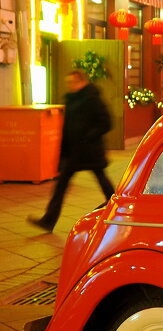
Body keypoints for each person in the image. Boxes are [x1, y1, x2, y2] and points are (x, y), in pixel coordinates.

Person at [28, 69, 116, 232]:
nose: (70, 85)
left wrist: (89, 136)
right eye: (68, 82)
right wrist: (64, 152)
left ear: (82, 82)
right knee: (61, 186)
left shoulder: (92, 98)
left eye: (73, 82)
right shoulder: (70, 99)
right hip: (74, 153)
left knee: (103, 181)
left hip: (90, 151)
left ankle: (119, 209)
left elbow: (106, 122)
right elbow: (67, 128)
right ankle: (48, 220)